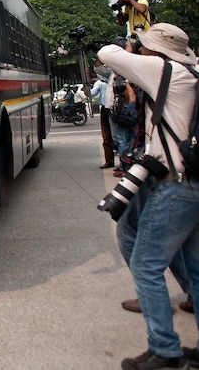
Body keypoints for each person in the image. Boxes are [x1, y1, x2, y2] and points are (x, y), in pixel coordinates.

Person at [98, 23, 199, 369]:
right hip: (186, 180)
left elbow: (106, 54)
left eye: (142, 45)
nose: (138, 50)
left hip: (176, 185)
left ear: (156, 49)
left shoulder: (162, 68)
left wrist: (129, 42)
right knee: (195, 268)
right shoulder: (190, 71)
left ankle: (166, 352)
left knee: (146, 263)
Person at [90, 64, 116, 169]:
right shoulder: (101, 82)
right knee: (108, 136)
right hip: (107, 108)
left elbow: (98, 68)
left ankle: (115, 160)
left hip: (113, 107)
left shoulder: (111, 73)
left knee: (113, 136)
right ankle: (110, 160)